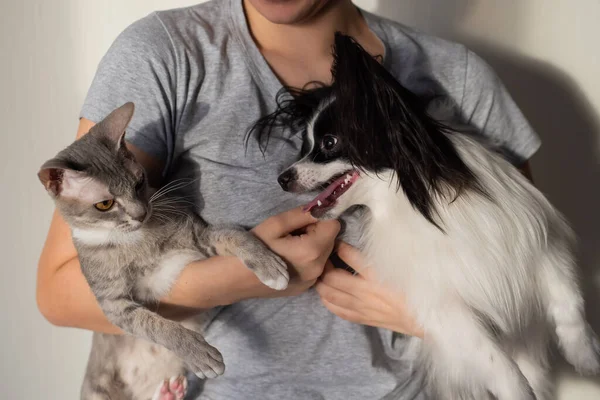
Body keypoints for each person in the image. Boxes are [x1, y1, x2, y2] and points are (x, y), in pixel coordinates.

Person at [37, 0, 540, 398]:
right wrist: (226, 281)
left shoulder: (459, 78)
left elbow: (536, 279)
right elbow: (59, 293)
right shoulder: (167, 54)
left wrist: (423, 312)